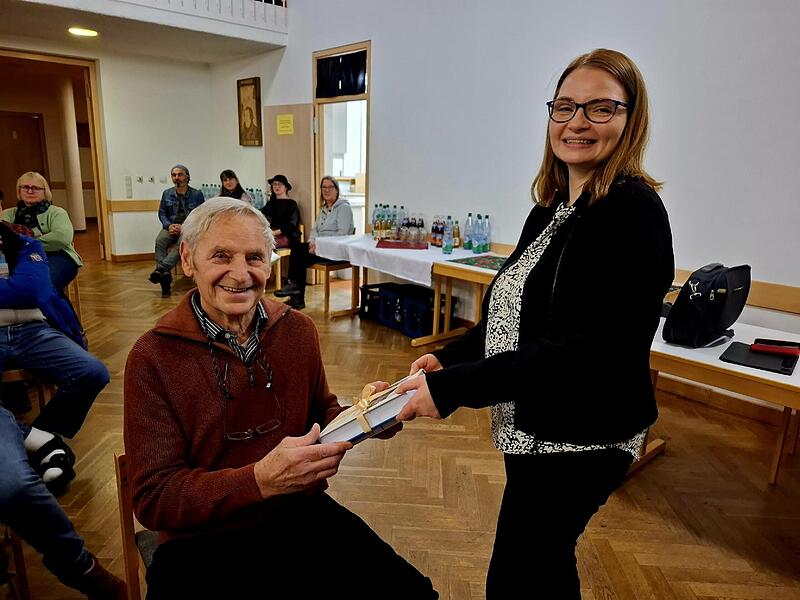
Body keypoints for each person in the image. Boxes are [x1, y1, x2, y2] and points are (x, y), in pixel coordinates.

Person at [394, 49, 674, 599]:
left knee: (519, 573)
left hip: (585, 432)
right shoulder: (551, 207)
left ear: (631, 119)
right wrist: (448, 359)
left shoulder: (632, 210)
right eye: (565, 107)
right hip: (536, 418)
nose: (577, 122)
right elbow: (510, 312)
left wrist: (451, 390)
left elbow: (586, 348)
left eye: (600, 108)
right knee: (540, 563)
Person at [123, 198, 437, 599]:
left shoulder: (296, 330)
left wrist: (373, 414)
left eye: (255, 257)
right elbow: (154, 499)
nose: (241, 274)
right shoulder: (152, 357)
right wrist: (258, 480)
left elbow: (321, 415)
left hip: (297, 512)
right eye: (221, 256)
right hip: (199, 540)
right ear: (187, 259)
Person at [0, 221, 109, 493]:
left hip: (32, 330)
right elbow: (21, 289)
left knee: (93, 372)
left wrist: (18, 289)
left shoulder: (23, 241)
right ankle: (42, 446)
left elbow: (31, 289)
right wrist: (13, 287)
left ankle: (41, 436)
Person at [273, 176, 354, 309]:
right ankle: (295, 293)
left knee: (300, 253)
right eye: (324, 187)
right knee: (298, 249)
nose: (326, 190)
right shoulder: (323, 209)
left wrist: (319, 244)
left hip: (336, 250)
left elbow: (342, 234)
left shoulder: (344, 208)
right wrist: (312, 242)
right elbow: (315, 230)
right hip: (320, 247)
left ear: (336, 190)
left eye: (330, 187)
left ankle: (296, 293)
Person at [3, 172, 83, 294]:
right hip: (20, 257)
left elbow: (62, 238)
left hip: (56, 255)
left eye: (35, 188)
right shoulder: (8, 214)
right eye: (25, 187)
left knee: (44, 283)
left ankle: (55, 307)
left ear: (45, 191)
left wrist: (26, 243)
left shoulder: (56, 212)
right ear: (19, 190)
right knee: (11, 284)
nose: (30, 191)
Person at [149, 164, 204, 295]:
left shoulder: (197, 194)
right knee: (160, 241)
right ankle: (165, 276)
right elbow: (162, 213)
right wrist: (168, 225)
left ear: (187, 177)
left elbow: (200, 215)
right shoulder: (167, 193)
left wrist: (184, 227)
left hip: (188, 228)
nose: (176, 177)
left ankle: (162, 269)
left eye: (180, 174)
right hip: (171, 226)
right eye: (174, 175)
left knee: (182, 243)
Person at [261, 174, 301, 249]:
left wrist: (274, 233)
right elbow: (262, 216)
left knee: (264, 245)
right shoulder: (270, 203)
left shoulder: (291, 204)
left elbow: (292, 225)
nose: (276, 186)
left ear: (286, 187)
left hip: (286, 235)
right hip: (270, 234)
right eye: (274, 184)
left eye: (279, 184)